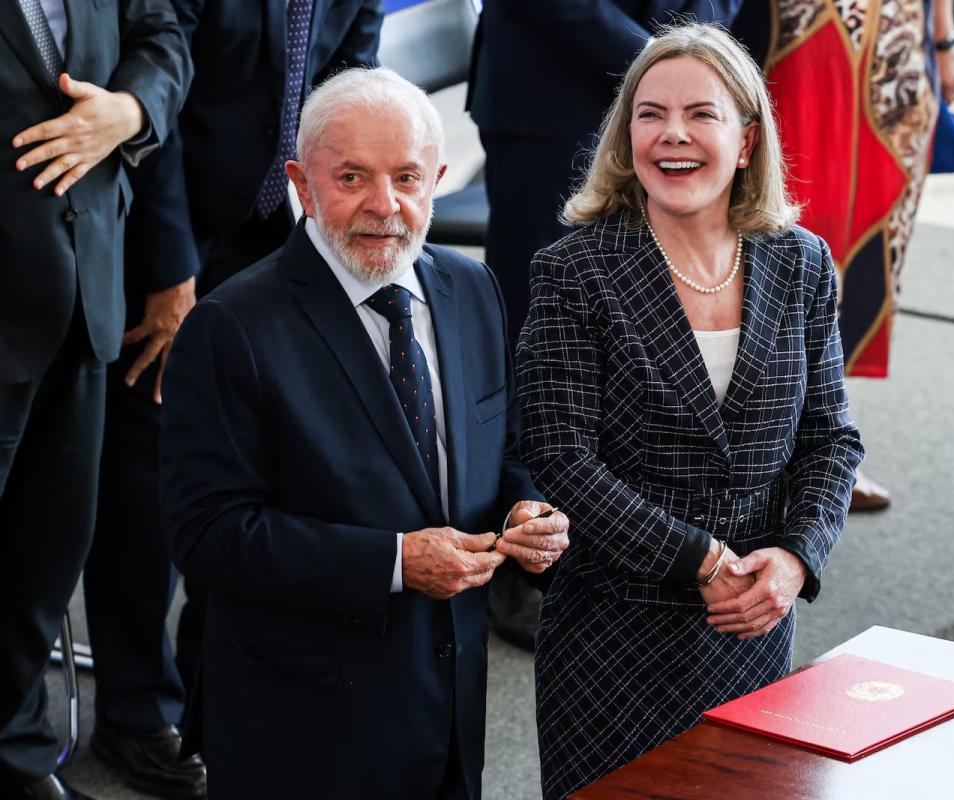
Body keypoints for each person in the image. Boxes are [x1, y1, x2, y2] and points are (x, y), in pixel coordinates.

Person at [159, 67, 569, 800]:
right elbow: (209, 535)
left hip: (449, 706)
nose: (384, 205)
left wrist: (522, 509)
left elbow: (502, 448)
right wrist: (395, 562)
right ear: (302, 184)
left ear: (437, 180)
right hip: (302, 723)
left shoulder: (473, 288)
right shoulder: (230, 327)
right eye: (352, 177)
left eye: (406, 177)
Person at [515, 23, 863, 799]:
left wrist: (797, 557)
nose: (672, 134)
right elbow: (561, 457)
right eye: (651, 114)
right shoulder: (574, 272)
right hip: (613, 644)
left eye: (701, 114)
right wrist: (701, 561)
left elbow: (831, 440)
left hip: (753, 630)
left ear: (746, 142)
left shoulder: (801, 262)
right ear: (626, 138)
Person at [81, 3, 382, 794]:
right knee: (149, 480)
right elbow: (158, 102)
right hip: (168, 227)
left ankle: (210, 693)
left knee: (259, 471)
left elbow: (348, 86)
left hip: (276, 232)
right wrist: (167, 270)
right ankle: (134, 710)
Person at [467, 0, 747, 651]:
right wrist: (663, 67)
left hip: (680, 89)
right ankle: (523, 551)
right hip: (553, 93)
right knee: (537, 338)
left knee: (659, 318)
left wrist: (682, 64)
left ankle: (663, 534)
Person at [0, 1, 190, 797]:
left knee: (46, 554)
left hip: (83, 287)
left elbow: (161, 33)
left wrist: (131, 109)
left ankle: (13, 754)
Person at [733, 0, 954, 511]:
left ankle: (825, 447)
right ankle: (751, 448)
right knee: (778, 227)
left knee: (868, 239)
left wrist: (944, 40)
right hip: (796, 37)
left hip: (894, 46)